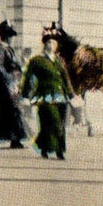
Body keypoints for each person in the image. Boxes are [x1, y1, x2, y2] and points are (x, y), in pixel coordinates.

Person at [21, 25, 76, 159]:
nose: (51, 45)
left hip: (61, 96)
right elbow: (28, 77)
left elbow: (65, 78)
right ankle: (56, 150)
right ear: (44, 44)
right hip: (45, 96)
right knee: (52, 121)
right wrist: (25, 95)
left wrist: (71, 95)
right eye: (49, 42)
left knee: (60, 123)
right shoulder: (37, 60)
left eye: (54, 42)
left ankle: (48, 148)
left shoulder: (58, 61)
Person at [0, 20, 27, 148]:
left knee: (15, 111)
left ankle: (16, 139)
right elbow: (1, 69)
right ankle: (13, 138)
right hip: (4, 85)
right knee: (10, 110)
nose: (12, 38)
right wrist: (10, 84)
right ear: (5, 36)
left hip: (12, 84)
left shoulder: (9, 49)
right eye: (10, 36)